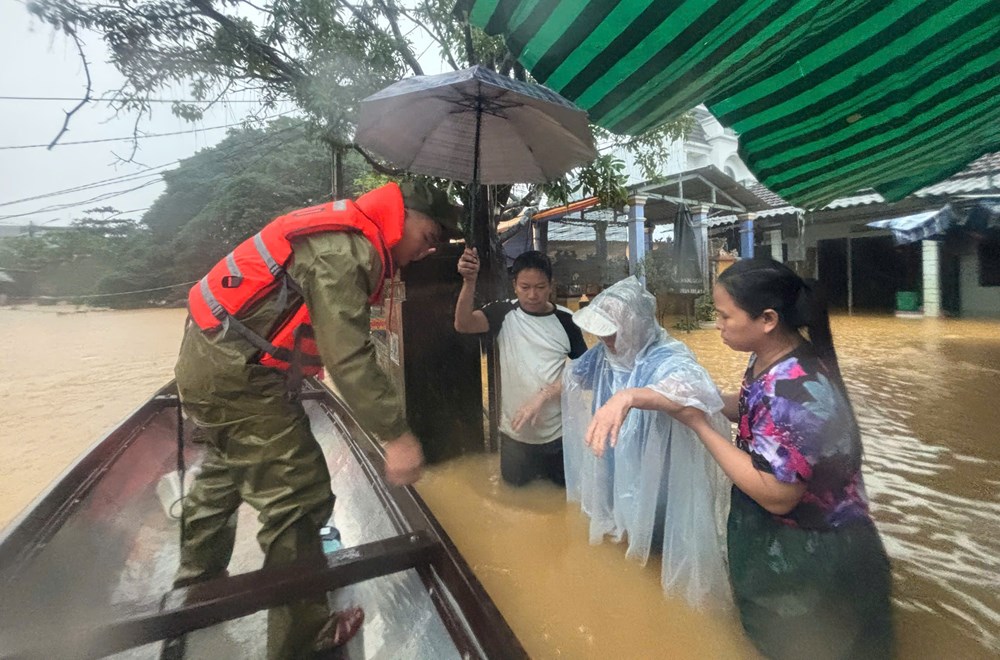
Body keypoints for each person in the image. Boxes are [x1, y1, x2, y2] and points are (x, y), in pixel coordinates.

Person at [173, 180, 460, 659]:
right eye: (428, 237)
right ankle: (303, 638)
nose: (425, 251)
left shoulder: (345, 235)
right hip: (241, 376)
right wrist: (396, 435)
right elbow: (347, 357)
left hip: (213, 366)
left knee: (224, 473)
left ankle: (196, 589)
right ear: (403, 215)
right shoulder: (344, 252)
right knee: (300, 497)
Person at [600, 259, 894, 658]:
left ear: (767, 319)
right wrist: (654, 398)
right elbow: (748, 406)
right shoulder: (770, 360)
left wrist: (698, 424)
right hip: (786, 541)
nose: (718, 325)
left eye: (725, 316)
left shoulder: (795, 390)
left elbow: (778, 495)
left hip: (814, 556)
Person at [563, 276, 732, 609]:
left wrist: (628, 396)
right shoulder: (605, 354)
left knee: (656, 537)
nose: (605, 339)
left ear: (637, 326)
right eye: (601, 332)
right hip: (615, 460)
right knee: (622, 528)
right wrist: (541, 396)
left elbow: (693, 389)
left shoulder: (666, 355)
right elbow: (574, 375)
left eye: (612, 331)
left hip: (661, 472)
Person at [454, 249, 587, 486]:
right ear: (514, 285)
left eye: (540, 287)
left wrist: (544, 396)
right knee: (513, 494)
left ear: (551, 286)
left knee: (560, 498)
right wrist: (469, 281)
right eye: (525, 287)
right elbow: (463, 324)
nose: (533, 295)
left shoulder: (567, 321)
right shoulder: (502, 313)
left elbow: (584, 373)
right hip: (514, 437)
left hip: (558, 436)